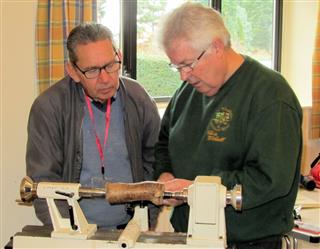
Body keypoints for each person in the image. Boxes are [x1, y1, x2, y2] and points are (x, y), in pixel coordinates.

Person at [154, 2, 302, 249]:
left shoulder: (271, 95)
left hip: (248, 241)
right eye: (176, 67)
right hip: (191, 236)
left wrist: (197, 189)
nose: (183, 76)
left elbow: (270, 179)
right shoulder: (186, 92)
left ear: (216, 47)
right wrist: (165, 175)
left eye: (188, 64)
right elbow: (163, 144)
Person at [26, 23, 160, 229]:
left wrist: (146, 222)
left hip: (131, 229)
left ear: (120, 56)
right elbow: (43, 183)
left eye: (110, 65)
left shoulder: (137, 97)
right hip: (76, 233)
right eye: (92, 71)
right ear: (72, 71)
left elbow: (155, 163)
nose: (105, 78)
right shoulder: (49, 107)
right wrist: (71, 233)